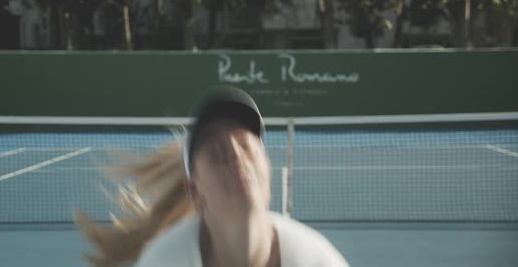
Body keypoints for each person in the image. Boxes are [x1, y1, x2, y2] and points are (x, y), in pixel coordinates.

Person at [77, 86, 349, 267]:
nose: (236, 157)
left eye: (246, 146)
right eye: (217, 152)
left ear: (267, 168)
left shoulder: (317, 260)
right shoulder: (165, 261)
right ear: (195, 192)